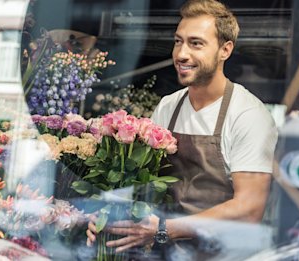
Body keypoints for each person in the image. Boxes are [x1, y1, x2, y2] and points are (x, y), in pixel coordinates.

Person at [86, 0, 278, 259]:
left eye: (196, 43)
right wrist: (108, 215)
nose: (181, 54)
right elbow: (144, 183)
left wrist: (166, 229)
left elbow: (249, 208)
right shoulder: (168, 106)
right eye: (178, 41)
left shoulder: (248, 115)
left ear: (225, 50)